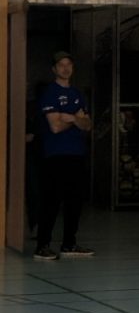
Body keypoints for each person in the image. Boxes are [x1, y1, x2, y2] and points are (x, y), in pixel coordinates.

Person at [34, 52, 93, 261]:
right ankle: (42, 245)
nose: (65, 68)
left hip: (77, 153)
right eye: (61, 65)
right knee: (51, 200)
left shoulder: (77, 94)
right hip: (55, 155)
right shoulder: (50, 93)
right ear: (54, 69)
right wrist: (75, 119)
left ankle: (69, 243)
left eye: (69, 64)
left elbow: (87, 124)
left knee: (74, 201)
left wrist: (73, 118)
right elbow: (56, 126)